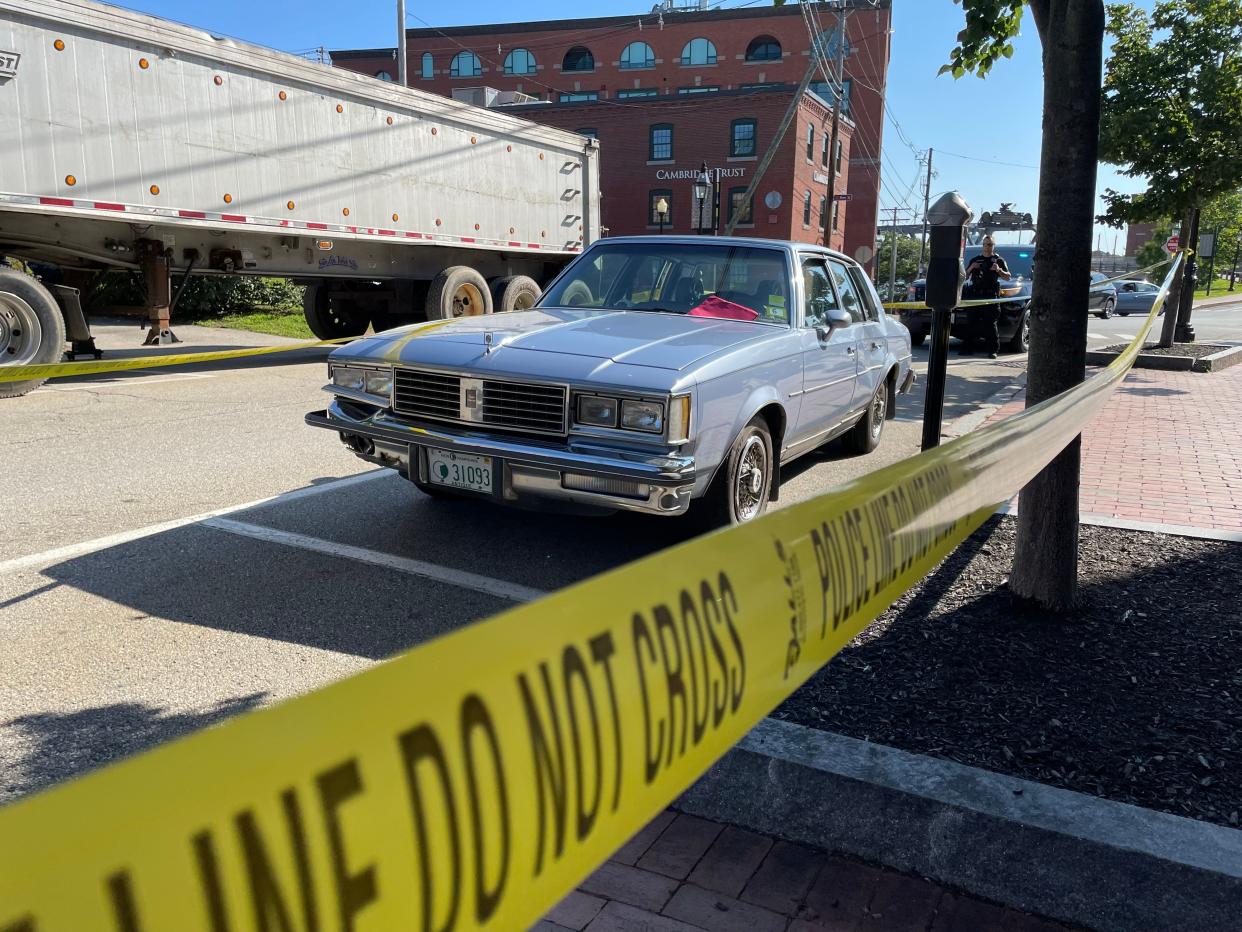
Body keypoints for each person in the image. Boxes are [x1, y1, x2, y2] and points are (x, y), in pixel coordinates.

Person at [961, 236, 1012, 357]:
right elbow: (964, 277)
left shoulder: (998, 260)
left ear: (993, 246)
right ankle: (967, 349)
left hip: (990, 295)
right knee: (971, 322)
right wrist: (972, 268)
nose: (987, 247)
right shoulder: (975, 260)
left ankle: (992, 350)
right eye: (985, 244)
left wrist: (998, 270)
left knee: (990, 324)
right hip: (975, 295)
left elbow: (1008, 277)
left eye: (990, 244)